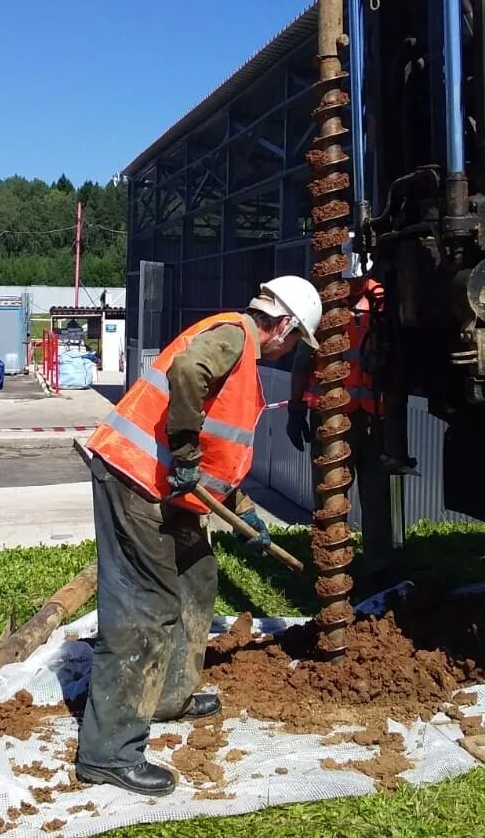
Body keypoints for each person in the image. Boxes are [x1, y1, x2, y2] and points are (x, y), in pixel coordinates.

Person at [77, 275, 322, 796]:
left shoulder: (241, 355)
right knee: (146, 605)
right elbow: (188, 374)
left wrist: (247, 511)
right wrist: (185, 454)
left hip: (168, 488)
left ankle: (170, 696)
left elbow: (218, 450)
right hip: (135, 479)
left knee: (197, 577)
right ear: (283, 326)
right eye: (298, 340)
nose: (292, 351)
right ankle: (109, 753)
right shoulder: (234, 336)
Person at [287, 274, 399, 583]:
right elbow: (303, 363)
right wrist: (296, 408)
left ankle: (379, 567)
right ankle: (329, 561)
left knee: (376, 497)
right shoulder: (321, 308)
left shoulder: (383, 302)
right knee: (330, 496)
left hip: (373, 418)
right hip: (331, 418)